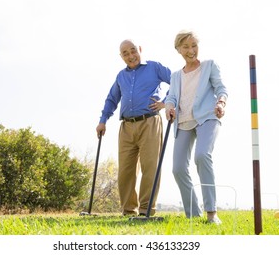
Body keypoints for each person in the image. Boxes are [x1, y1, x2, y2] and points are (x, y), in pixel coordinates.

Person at [96, 39, 171, 216]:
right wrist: (103, 120)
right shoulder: (121, 76)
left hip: (150, 122)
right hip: (126, 126)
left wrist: (166, 102)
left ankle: (146, 210)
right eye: (125, 53)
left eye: (133, 51)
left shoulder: (154, 67)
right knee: (125, 171)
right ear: (121, 57)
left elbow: (177, 81)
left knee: (150, 167)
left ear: (140, 49)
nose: (131, 56)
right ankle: (129, 211)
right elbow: (111, 99)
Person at [165, 30, 228, 224]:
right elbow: (171, 97)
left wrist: (221, 103)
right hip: (183, 121)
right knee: (177, 169)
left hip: (207, 117)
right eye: (186, 47)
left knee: (202, 155)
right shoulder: (176, 76)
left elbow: (221, 88)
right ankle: (193, 213)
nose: (191, 50)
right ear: (178, 50)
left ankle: (211, 213)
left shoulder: (209, 66)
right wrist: (169, 107)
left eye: (194, 45)